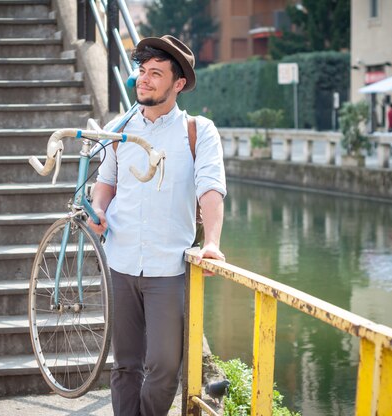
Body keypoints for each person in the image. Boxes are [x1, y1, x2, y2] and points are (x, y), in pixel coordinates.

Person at [88, 35, 227, 416]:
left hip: (169, 267)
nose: (143, 80)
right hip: (120, 261)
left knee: (164, 367)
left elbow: (211, 190)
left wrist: (212, 242)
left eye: (155, 73)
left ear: (178, 83)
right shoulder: (118, 129)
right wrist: (98, 211)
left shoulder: (198, 131)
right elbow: (105, 186)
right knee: (124, 364)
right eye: (141, 71)